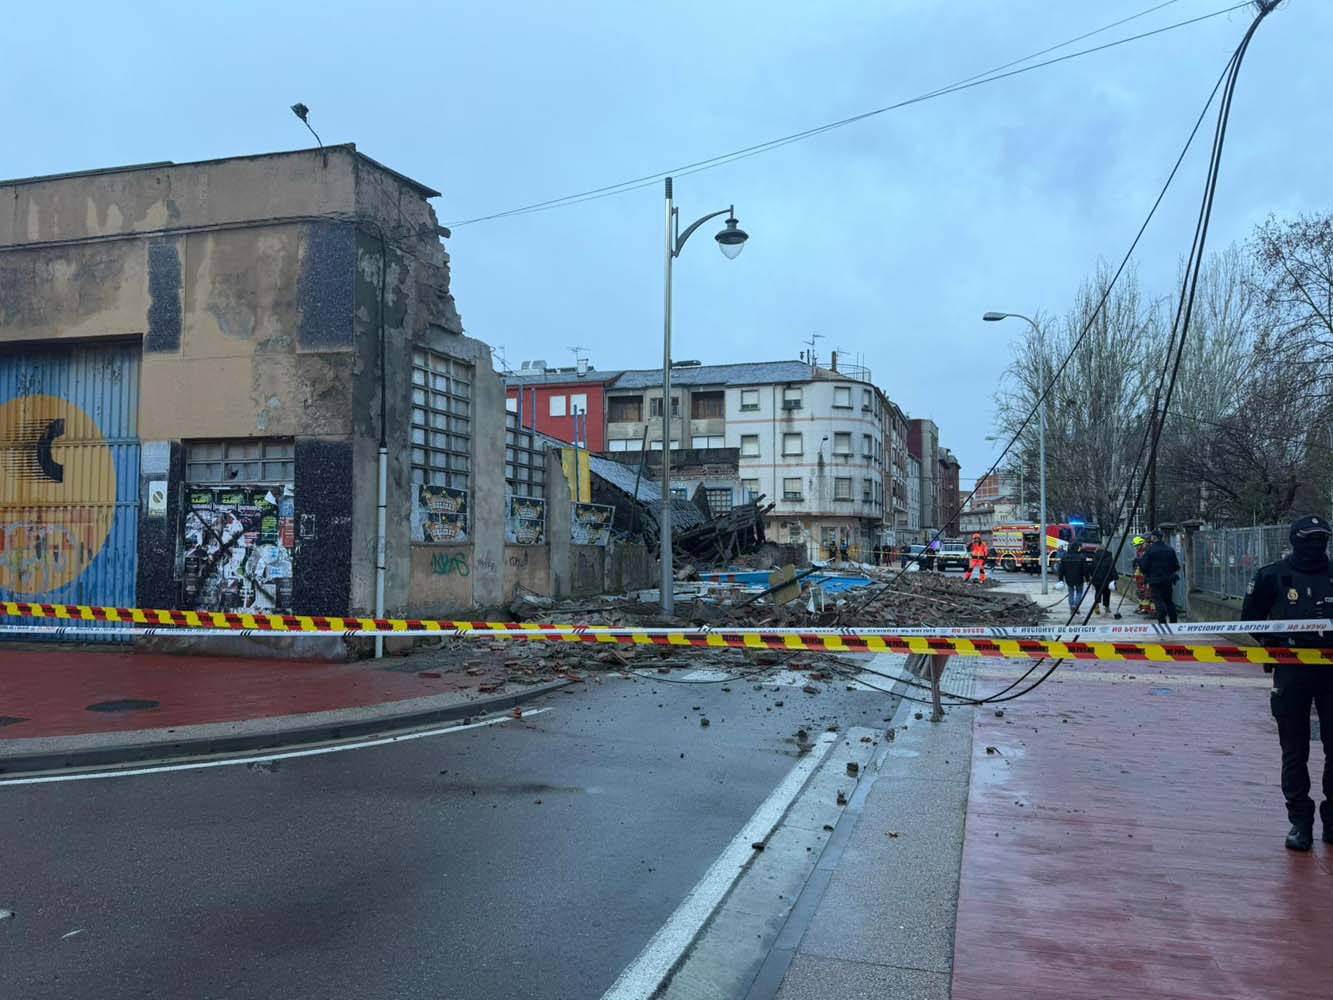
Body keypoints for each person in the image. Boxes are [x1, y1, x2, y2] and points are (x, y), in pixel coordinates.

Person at [1241, 515, 1333, 851]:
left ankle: (1332, 821)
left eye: (1322, 538)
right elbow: (1250, 620)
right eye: (1310, 538)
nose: (1317, 545)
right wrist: (1275, 646)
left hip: (1331, 673)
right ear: (1295, 540)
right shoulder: (1273, 575)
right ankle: (1300, 822)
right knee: (1295, 750)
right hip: (1291, 672)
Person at [1139, 530, 1181, 624]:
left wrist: (1140, 562)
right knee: (1168, 600)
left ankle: (1162, 620)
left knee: (1158, 600)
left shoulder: (1150, 550)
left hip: (1155, 580)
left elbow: (1144, 566)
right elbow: (1176, 566)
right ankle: (1173, 620)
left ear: (1154, 538)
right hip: (1168, 580)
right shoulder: (1170, 549)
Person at [1057, 543, 1088, 614]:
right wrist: (1087, 578)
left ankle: (1072, 607)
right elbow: (1085, 569)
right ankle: (1076, 606)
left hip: (1069, 578)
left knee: (1071, 593)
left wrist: (1060, 579)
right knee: (1079, 592)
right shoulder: (1081, 557)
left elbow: (1061, 569)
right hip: (1079, 578)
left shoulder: (1065, 557)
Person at [1089, 543, 1116, 616]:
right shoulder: (1109, 557)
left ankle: (1097, 604)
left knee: (1098, 591)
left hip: (1097, 578)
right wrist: (1115, 577)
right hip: (1107, 578)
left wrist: (1091, 576)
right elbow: (1112, 567)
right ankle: (1106, 607)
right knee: (1107, 592)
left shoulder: (1095, 556)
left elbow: (1092, 567)